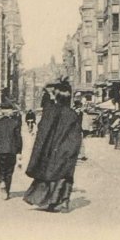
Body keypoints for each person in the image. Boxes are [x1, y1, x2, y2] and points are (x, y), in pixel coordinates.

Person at [23, 80, 83, 212]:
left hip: (52, 149)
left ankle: (52, 201)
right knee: (66, 174)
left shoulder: (51, 112)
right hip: (68, 148)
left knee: (51, 174)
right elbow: (77, 134)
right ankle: (64, 201)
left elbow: (43, 129)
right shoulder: (72, 114)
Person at [0, 108, 24, 200]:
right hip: (11, 150)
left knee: (0, 168)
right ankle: (7, 192)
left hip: (0, 150)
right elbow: (18, 138)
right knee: (9, 171)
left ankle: (1, 181)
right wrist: (19, 151)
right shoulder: (15, 123)